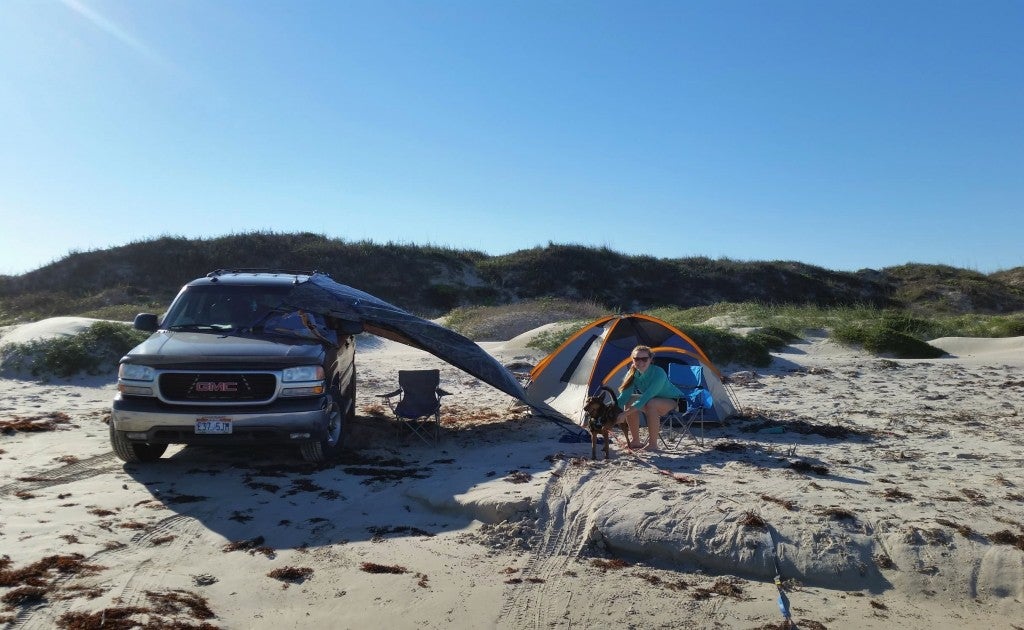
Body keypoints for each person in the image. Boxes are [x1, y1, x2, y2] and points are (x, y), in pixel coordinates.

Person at [615, 345, 683, 451]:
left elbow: (646, 397)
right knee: (630, 400)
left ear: (650, 359)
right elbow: (624, 396)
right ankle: (636, 441)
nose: (640, 362)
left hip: (675, 401)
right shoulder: (632, 373)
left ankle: (653, 444)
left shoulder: (659, 372)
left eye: (644, 359)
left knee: (651, 403)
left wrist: (624, 414)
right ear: (632, 360)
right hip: (652, 399)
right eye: (636, 359)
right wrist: (611, 410)